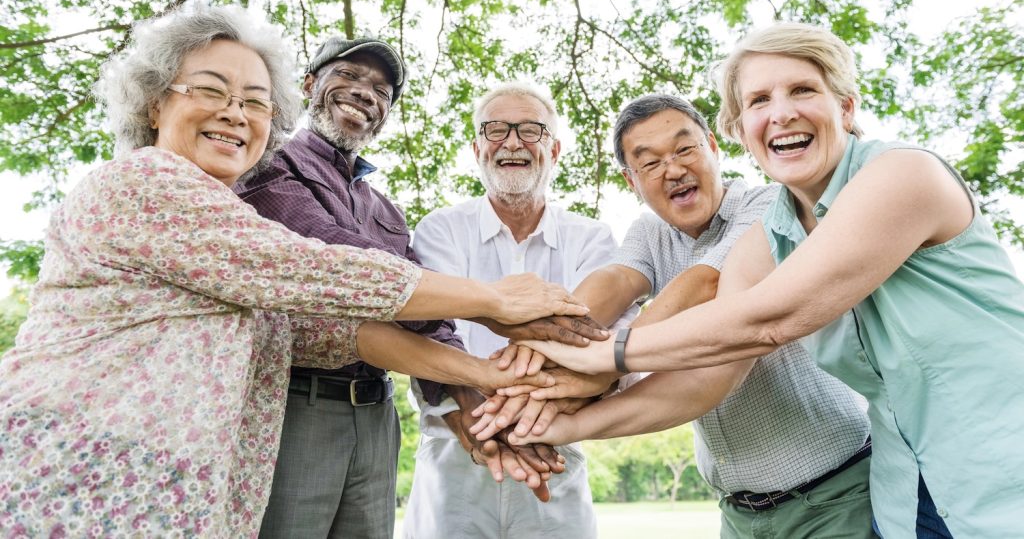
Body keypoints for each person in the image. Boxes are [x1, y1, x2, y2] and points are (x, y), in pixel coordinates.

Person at [0, 4, 584, 537]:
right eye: (210, 90)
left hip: (186, 477)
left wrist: (481, 384)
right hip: (82, 466)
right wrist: (493, 301)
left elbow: (328, 329)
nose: (234, 113)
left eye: (253, 102)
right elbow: (312, 268)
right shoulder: (151, 181)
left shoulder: (369, 210)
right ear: (156, 102)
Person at [519, 22, 1024, 538]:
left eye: (802, 90)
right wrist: (559, 420)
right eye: (759, 100)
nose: (781, 112)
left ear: (846, 108)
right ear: (742, 129)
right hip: (907, 492)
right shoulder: (776, 228)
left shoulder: (904, 173)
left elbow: (766, 318)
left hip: (1001, 476)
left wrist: (603, 355)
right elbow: (713, 363)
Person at [234, 38, 570, 538]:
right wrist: (492, 306)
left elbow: (427, 317)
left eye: (381, 89)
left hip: (377, 414)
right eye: (348, 75)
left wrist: (472, 408)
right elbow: (339, 260)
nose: (365, 92)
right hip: (298, 408)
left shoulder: (386, 211)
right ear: (309, 85)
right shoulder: (271, 162)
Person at [507, 93, 873, 538]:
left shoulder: (768, 206)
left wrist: (602, 368)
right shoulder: (648, 232)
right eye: (650, 163)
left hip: (834, 494)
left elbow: (708, 284)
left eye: (685, 149)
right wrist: (535, 364)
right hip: (740, 513)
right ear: (631, 181)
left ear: (714, 149)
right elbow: (617, 283)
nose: (674, 170)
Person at [403, 82, 624, 538]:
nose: (512, 142)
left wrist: (514, 417)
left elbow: (601, 337)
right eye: (496, 129)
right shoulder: (441, 229)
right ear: (477, 146)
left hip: (554, 452)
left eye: (530, 130)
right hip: (453, 452)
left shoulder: (592, 239)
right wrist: (475, 414)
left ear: (555, 149)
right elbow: (429, 327)